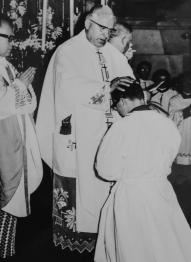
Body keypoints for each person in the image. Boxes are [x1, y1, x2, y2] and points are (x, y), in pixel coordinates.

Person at [36, 5, 135, 253]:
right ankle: (72, 251)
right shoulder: (67, 51)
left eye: (110, 30)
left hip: (107, 140)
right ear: (88, 22)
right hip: (78, 141)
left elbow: (128, 84)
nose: (106, 35)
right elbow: (68, 88)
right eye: (102, 28)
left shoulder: (114, 56)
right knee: (77, 207)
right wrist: (106, 88)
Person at [94, 81, 191, 262]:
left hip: (131, 195)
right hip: (161, 190)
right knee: (165, 242)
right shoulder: (167, 123)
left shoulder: (122, 126)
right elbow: (172, 153)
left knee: (134, 247)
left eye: (116, 104)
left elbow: (105, 170)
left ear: (123, 100)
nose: (118, 110)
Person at [0, 18, 43, 258]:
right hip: (4, 145)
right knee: (6, 194)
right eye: (7, 37)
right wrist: (18, 87)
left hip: (15, 142)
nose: (11, 43)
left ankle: (5, 250)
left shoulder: (6, 65)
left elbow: (27, 104)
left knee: (12, 200)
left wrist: (23, 87)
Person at [169, 71, 191, 164]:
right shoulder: (175, 100)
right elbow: (173, 118)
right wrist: (189, 108)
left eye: (190, 81)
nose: (188, 84)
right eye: (185, 82)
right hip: (184, 132)